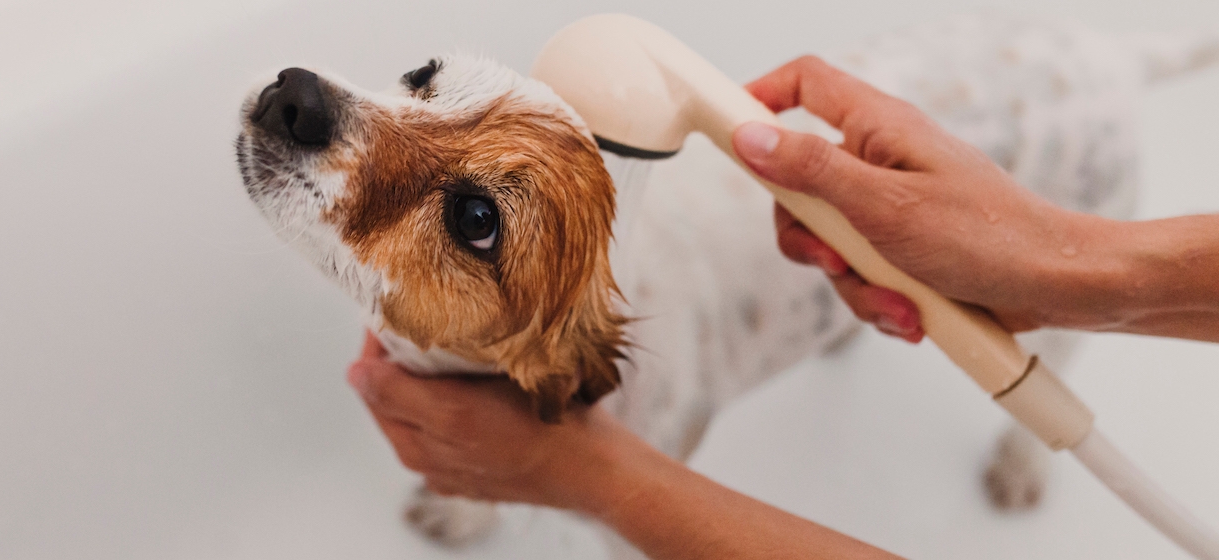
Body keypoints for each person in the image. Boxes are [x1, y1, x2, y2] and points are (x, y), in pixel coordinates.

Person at [344, 56, 1219, 559]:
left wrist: (584, 477)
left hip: (1059, 131)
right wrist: (1077, 267)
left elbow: (623, 473)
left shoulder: (653, 377)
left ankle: (1029, 444)